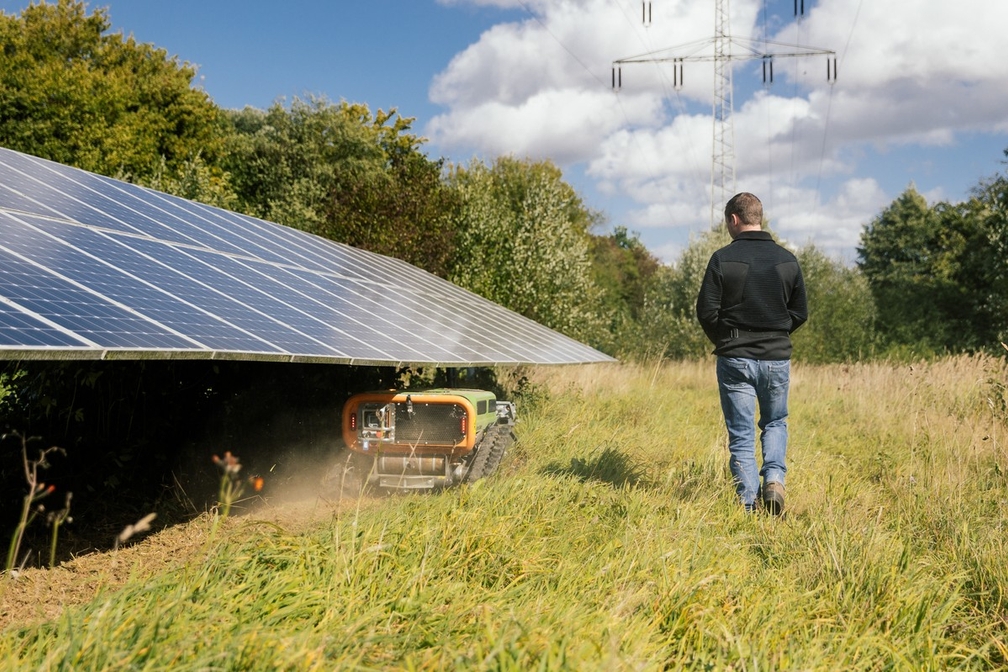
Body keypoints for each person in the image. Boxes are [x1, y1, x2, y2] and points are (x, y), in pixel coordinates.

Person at [695, 192, 807, 515]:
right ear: (759, 216)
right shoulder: (788, 260)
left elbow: (706, 311)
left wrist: (728, 340)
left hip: (735, 357)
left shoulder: (721, 258)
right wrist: (776, 335)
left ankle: (748, 506)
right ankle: (774, 480)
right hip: (776, 357)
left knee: (741, 435)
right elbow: (800, 312)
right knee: (775, 422)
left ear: (734, 219)